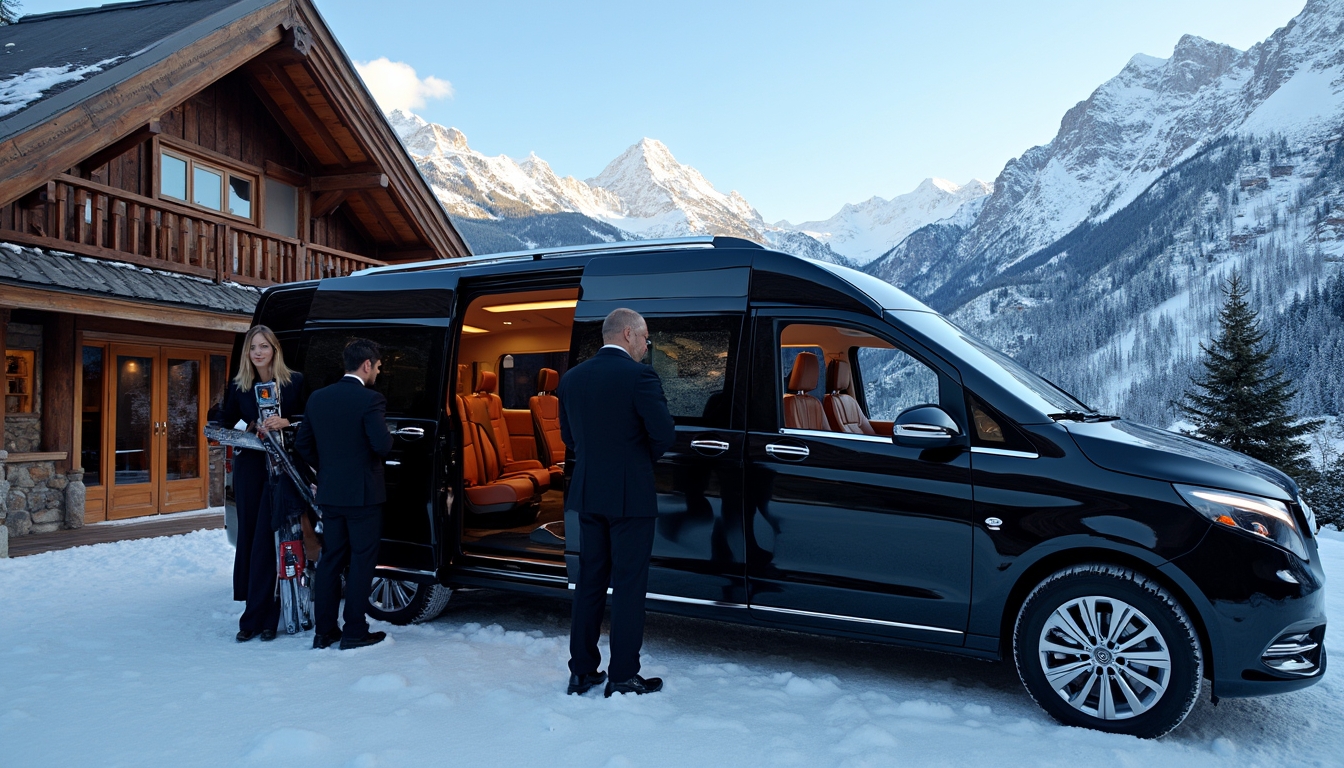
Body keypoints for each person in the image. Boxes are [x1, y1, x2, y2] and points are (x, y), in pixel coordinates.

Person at [559, 308, 676, 696]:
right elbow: (663, 435)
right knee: (628, 587)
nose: (647, 345)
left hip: (589, 493)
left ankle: (581, 673)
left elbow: (570, 440)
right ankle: (623, 675)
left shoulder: (572, 379)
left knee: (589, 584)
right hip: (631, 498)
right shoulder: (640, 377)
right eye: (645, 338)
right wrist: (635, 463)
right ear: (628, 334)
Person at [295, 338, 393, 650]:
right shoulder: (371, 399)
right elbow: (382, 445)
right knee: (362, 562)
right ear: (367, 365)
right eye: (377, 367)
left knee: (330, 560)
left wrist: (328, 470)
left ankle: (324, 631)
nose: (377, 373)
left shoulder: (318, 399)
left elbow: (302, 446)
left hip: (330, 493)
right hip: (364, 495)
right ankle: (354, 631)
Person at [211, 325, 305, 643]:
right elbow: (225, 420)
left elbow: (310, 419)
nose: (258, 353)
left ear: (274, 350)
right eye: (253, 348)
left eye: (264, 346)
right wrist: (248, 426)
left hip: (283, 470)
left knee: (274, 539)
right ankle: (252, 615)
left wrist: (287, 422)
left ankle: (271, 616)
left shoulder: (294, 382)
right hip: (250, 469)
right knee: (251, 538)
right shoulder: (240, 386)